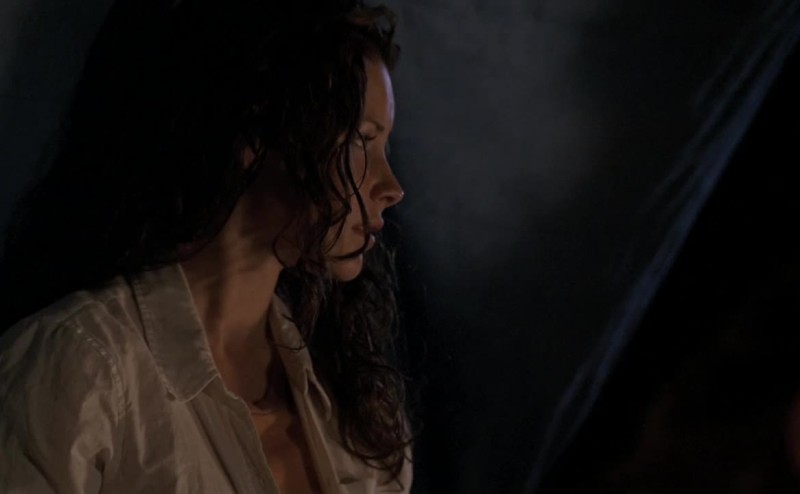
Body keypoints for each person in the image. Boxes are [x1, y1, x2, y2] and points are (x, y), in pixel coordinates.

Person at [0, 0, 412, 492]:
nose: (392, 187)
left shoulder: (356, 411)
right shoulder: (81, 370)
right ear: (254, 135)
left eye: (384, 146)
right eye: (360, 141)